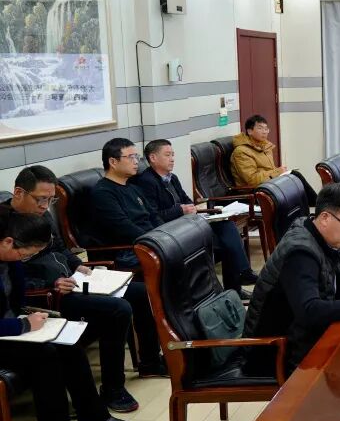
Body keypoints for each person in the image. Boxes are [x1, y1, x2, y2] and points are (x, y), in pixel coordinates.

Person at [6, 166, 142, 411]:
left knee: (138, 291)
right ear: (18, 193)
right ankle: (113, 389)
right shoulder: (6, 227)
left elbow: (60, 248)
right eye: (40, 199)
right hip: (47, 296)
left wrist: (78, 266)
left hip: (69, 281)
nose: (45, 206)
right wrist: (50, 285)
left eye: (50, 200)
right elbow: (11, 281)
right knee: (117, 310)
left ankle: (150, 363)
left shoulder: (42, 214)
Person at [0, 208, 129, 421]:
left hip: (10, 328)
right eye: (25, 254)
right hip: (6, 334)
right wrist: (22, 326)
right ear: (7, 242)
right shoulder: (12, 256)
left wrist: (30, 315)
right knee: (45, 355)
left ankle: (93, 414)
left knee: (68, 340)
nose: (24, 259)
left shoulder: (10, 259)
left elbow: (17, 299)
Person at [244, 184, 340, 375]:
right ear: (325, 218)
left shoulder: (325, 235)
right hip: (278, 353)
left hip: (310, 337)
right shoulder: (300, 253)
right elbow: (310, 311)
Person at [131, 139, 258, 297]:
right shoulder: (147, 182)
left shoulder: (172, 178)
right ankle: (236, 281)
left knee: (226, 226)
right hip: (172, 229)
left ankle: (241, 276)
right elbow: (154, 215)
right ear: (153, 158)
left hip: (186, 222)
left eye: (173, 155)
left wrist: (191, 207)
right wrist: (180, 210)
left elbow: (187, 200)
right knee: (226, 243)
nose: (172, 159)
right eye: (167, 155)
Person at [89, 138, 169, 375]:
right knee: (171, 271)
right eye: (131, 157)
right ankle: (151, 357)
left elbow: (153, 216)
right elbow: (124, 228)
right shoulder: (103, 193)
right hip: (123, 253)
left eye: (137, 157)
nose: (137, 162)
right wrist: (157, 242)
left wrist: (166, 236)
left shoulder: (133, 187)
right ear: (113, 162)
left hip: (146, 243)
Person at [230, 115, 318, 205]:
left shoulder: (265, 147)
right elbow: (252, 180)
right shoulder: (241, 152)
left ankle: (315, 204)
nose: (264, 132)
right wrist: (277, 172)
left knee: (293, 177)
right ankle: (317, 203)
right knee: (294, 177)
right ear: (250, 131)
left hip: (268, 184)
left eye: (266, 129)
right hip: (254, 191)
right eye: (260, 128)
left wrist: (280, 172)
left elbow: (268, 171)